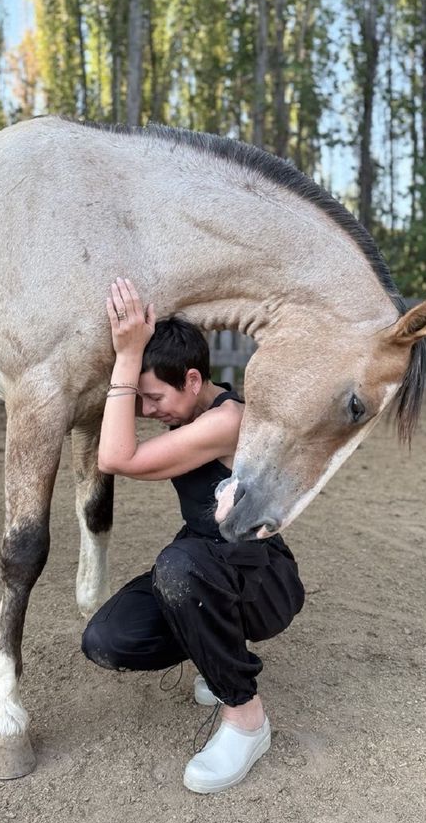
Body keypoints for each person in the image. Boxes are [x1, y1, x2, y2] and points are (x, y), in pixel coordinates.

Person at [81, 278, 305, 794]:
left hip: (263, 575)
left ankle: (247, 721)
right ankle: (214, 653)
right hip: (207, 561)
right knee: (108, 639)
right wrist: (138, 361)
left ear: (192, 379)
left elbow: (116, 458)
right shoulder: (189, 408)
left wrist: (129, 352)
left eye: (153, 397)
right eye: (139, 400)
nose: (145, 411)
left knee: (177, 567)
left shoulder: (227, 420)